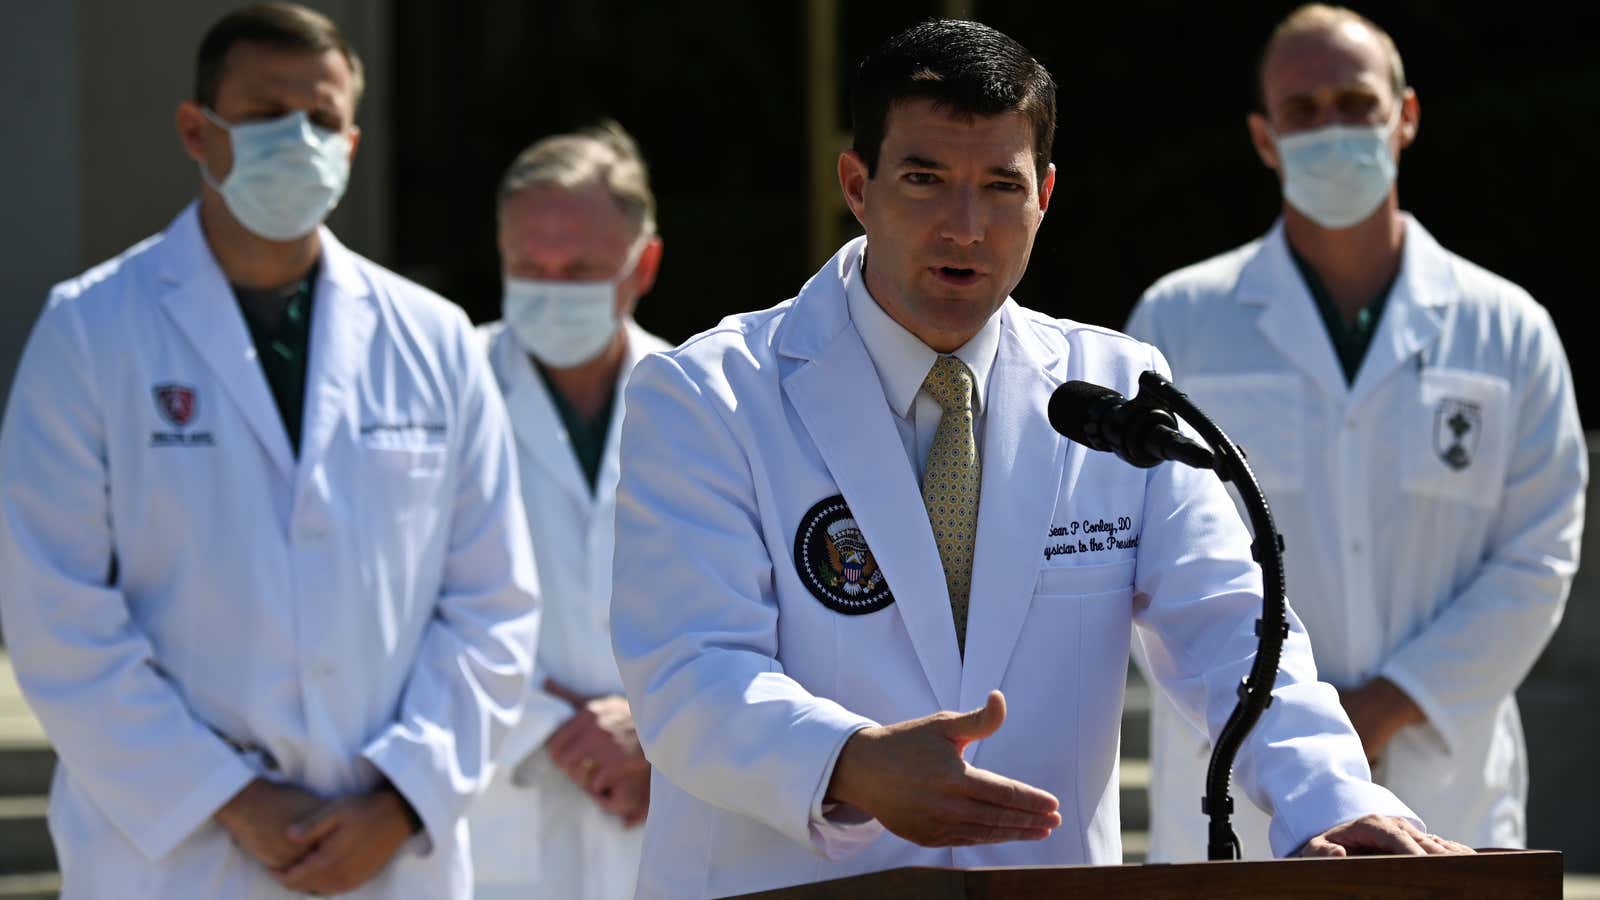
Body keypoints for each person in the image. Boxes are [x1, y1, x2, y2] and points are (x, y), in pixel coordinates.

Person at [609, 19, 1470, 900]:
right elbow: (689, 674)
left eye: (1000, 187)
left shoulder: (1118, 395)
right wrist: (851, 762)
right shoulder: (710, 396)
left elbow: (1229, 625)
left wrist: (1326, 797)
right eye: (924, 180)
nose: (965, 227)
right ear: (857, 186)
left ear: (1046, 196)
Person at [0, 4, 539, 897]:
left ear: (353, 143)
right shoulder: (93, 330)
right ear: (195, 131)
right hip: (174, 853)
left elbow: (493, 603)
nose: (298, 140)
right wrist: (231, 797)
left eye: (321, 120)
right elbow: (53, 609)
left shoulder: (433, 339)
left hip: (387, 852)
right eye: (263, 116)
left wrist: (401, 800)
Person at [1127, 4, 1585, 862]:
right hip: (1241, 798)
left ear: (1404, 117)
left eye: (1355, 102)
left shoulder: (1508, 329)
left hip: (1446, 783)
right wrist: (1300, 730)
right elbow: (1146, 558)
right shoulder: (1178, 321)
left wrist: (1389, 704)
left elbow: (1537, 557)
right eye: (1302, 111)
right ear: (1264, 139)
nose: (1330, 127)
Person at [467, 121, 668, 900]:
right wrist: (550, 727)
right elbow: (382, 602)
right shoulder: (443, 390)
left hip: (663, 812)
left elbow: (762, 606)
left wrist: (658, 731)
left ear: (642, 264)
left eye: (580, 269)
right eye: (527, 267)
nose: (550, 288)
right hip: (497, 805)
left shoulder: (706, 401)